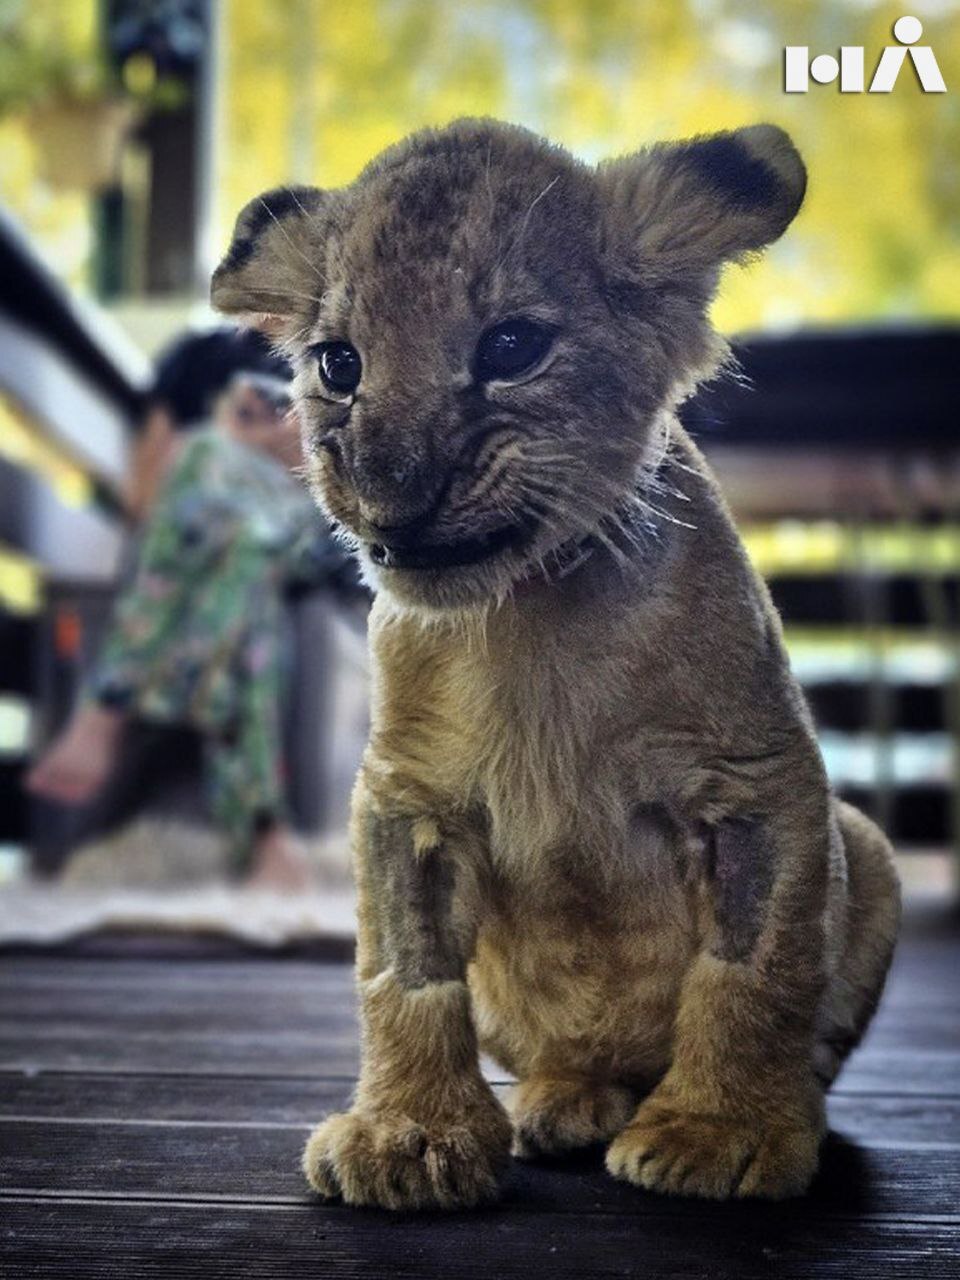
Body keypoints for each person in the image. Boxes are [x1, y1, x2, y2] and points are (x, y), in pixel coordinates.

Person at [27, 336, 342, 890]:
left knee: (220, 491)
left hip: (314, 542)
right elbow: (159, 506)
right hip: (241, 565)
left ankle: (106, 708)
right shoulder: (198, 376)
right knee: (239, 550)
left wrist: (280, 449)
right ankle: (264, 830)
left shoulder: (300, 380)